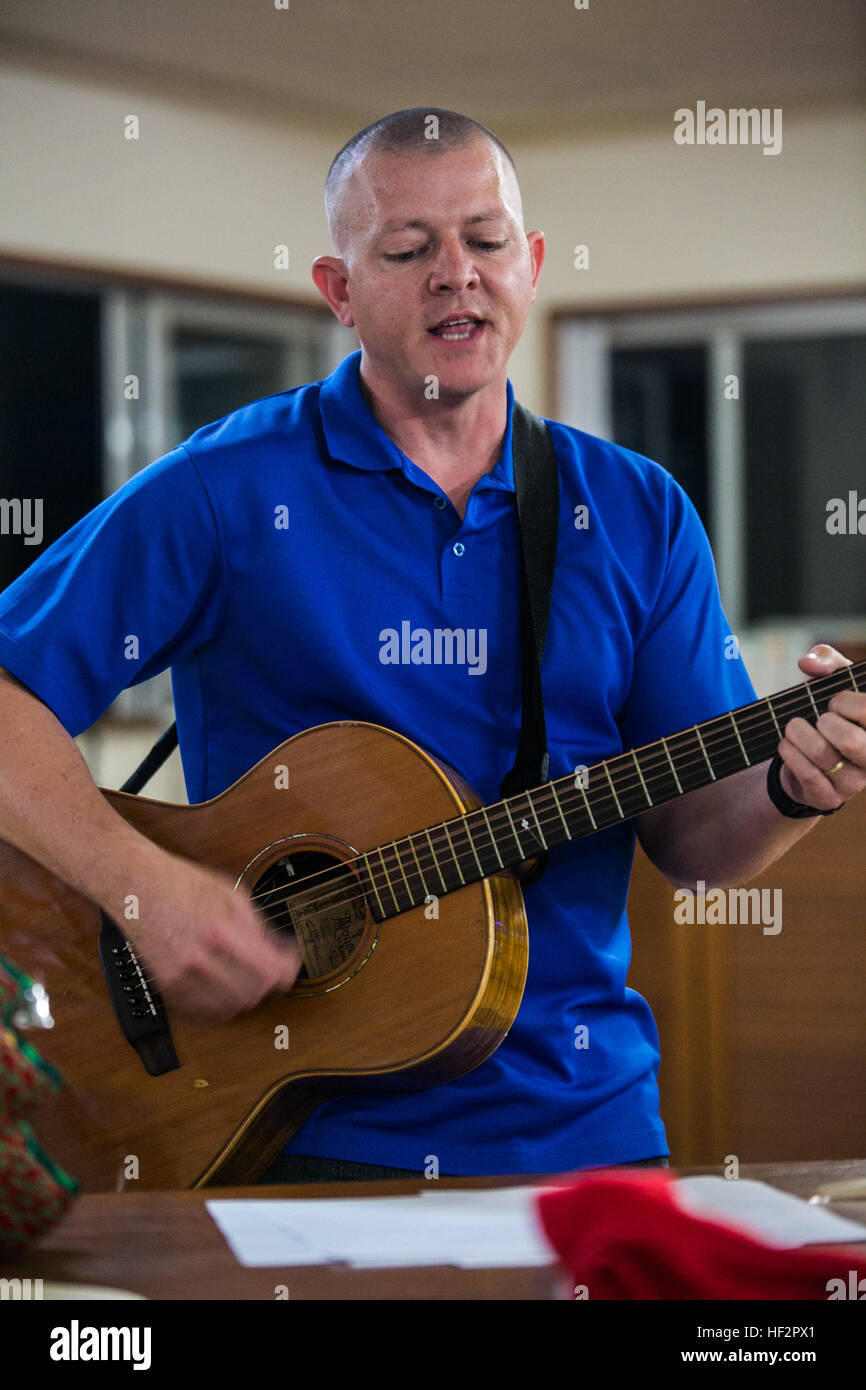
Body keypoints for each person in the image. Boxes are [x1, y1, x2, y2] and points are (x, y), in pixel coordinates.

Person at [0, 109, 863, 1185]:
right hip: (277, 1125)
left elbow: (696, 845)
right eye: (409, 250)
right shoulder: (225, 488)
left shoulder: (636, 511)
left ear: (530, 265)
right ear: (339, 289)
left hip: (582, 1127)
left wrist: (792, 788)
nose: (457, 273)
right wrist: (146, 892)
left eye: (485, 240)